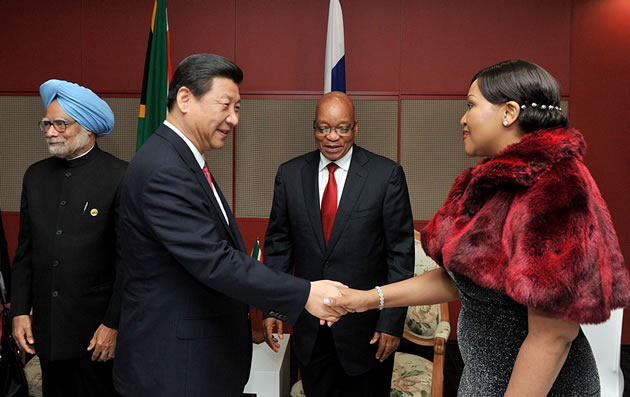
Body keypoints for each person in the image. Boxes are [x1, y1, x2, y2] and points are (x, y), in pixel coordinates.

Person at [327, 60, 630, 396]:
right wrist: (368, 299)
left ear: (509, 112)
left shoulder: (555, 188)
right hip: (484, 379)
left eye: (471, 105)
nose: (463, 118)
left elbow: (554, 336)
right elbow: (458, 279)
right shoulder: (494, 184)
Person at [112, 54, 345, 397]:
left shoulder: (181, 160)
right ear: (185, 99)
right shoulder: (164, 169)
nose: (234, 119)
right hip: (175, 369)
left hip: (195, 363)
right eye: (226, 105)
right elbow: (215, 261)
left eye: (238, 108)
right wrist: (305, 293)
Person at [263, 92, 415, 396]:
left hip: (367, 331)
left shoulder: (386, 176)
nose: (332, 137)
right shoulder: (290, 175)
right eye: (323, 128)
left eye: (342, 128)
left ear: (355, 128)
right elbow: (279, 246)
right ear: (314, 129)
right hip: (310, 327)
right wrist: (273, 307)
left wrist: (390, 322)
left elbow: (400, 255)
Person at [11, 80, 127, 397]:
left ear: (88, 127)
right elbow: (25, 252)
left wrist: (112, 325)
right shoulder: (34, 176)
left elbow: (128, 261)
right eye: (47, 124)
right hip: (47, 333)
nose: (50, 132)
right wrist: (19, 310)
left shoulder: (121, 176)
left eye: (60, 123)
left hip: (97, 335)